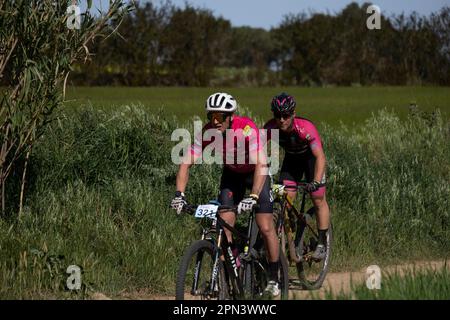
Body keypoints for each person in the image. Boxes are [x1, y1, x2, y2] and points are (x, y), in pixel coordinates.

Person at [170, 92, 281, 297]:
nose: (215, 121)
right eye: (211, 116)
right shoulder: (207, 131)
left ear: (230, 116)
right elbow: (185, 163)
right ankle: (228, 279)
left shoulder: (245, 128)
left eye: (219, 117)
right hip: (233, 175)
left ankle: (274, 278)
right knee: (224, 226)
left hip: (257, 173)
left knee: (265, 226)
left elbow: (261, 163)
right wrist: (179, 194)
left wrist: (254, 196)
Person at [264, 93, 330, 261]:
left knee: (318, 198)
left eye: (285, 115)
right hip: (292, 161)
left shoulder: (305, 128)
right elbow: (258, 151)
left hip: (311, 161)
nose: (281, 120)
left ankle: (322, 243)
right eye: (277, 116)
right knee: (285, 198)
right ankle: (289, 230)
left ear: (293, 114)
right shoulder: (270, 128)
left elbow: (320, 157)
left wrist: (315, 181)